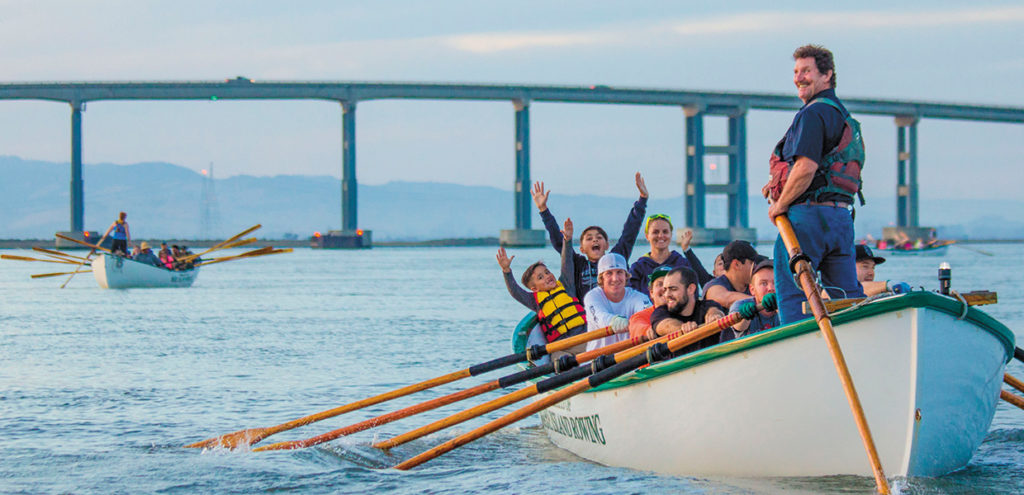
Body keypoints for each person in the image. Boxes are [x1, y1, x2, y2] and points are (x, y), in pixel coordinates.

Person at [762, 44, 866, 324]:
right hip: (840, 218)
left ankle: (795, 348)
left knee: (792, 292)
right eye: (796, 72)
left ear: (827, 74)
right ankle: (859, 340)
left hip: (807, 218)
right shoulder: (843, 115)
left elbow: (806, 168)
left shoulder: (812, 114)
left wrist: (780, 204)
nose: (798, 78)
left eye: (806, 71)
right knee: (847, 295)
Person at [533, 173, 648, 301]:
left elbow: (629, 233)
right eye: (589, 238)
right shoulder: (578, 263)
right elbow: (560, 243)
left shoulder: (616, 258)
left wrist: (642, 200)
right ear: (582, 249)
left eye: (599, 237)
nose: (595, 240)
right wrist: (544, 210)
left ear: (607, 245)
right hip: (586, 317)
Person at [497, 218, 587, 359]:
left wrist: (567, 241)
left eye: (547, 272)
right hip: (561, 347)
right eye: (540, 278)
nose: (547, 277)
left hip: (584, 339)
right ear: (534, 288)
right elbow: (515, 292)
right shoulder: (534, 301)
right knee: (557, 360)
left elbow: (567, 261)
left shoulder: (565, 284)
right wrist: (506, 271)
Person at [583, 253, 651, 352]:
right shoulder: (592, 297)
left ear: (626, 276)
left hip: (630, 359)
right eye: (609, 273)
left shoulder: (638, 297)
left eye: (619, 272)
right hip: (598, 361)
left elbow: (647, 312)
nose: (615, 279)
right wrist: (615, 321)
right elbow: (600, 317)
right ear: (602, 278)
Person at [650, 267, 725, 355]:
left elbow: (714, 310)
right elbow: (664, 325)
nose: (666, 295)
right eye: (665, 289)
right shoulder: (660, 312)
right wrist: (682, 327)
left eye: (673, 289)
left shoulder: (708, 306)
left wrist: (715, 316)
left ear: (691, 289)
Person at [628, 217, 712, 295]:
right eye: (655, 232)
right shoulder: (638, 268)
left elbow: (692, 295)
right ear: (647, 236)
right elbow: (632, 297)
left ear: (671, 235)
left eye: (665, 232)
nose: (660, 235)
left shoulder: (682, 264)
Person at [721, 258, 779, 342]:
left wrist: (780, 307)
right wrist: (745, 317)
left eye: (775, 282)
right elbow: (738, 326)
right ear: (752, 289)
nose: (770, 288)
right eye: (764, 283)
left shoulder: (789, 304)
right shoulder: (739, 305)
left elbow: (792, 321)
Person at [703, 240, 759, 309]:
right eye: (752, 263)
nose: (756, 267)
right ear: (736, 264)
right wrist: (759, 301)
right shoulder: (713, 286)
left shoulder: (755, 285)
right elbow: (727, 298)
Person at [628, 265, 672, 340]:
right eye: (660, 284)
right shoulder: (640, 316)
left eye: (669, 284)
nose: (664, 288)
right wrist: (649, 330)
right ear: (651, 292)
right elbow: (636, 326)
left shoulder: (685, 311)